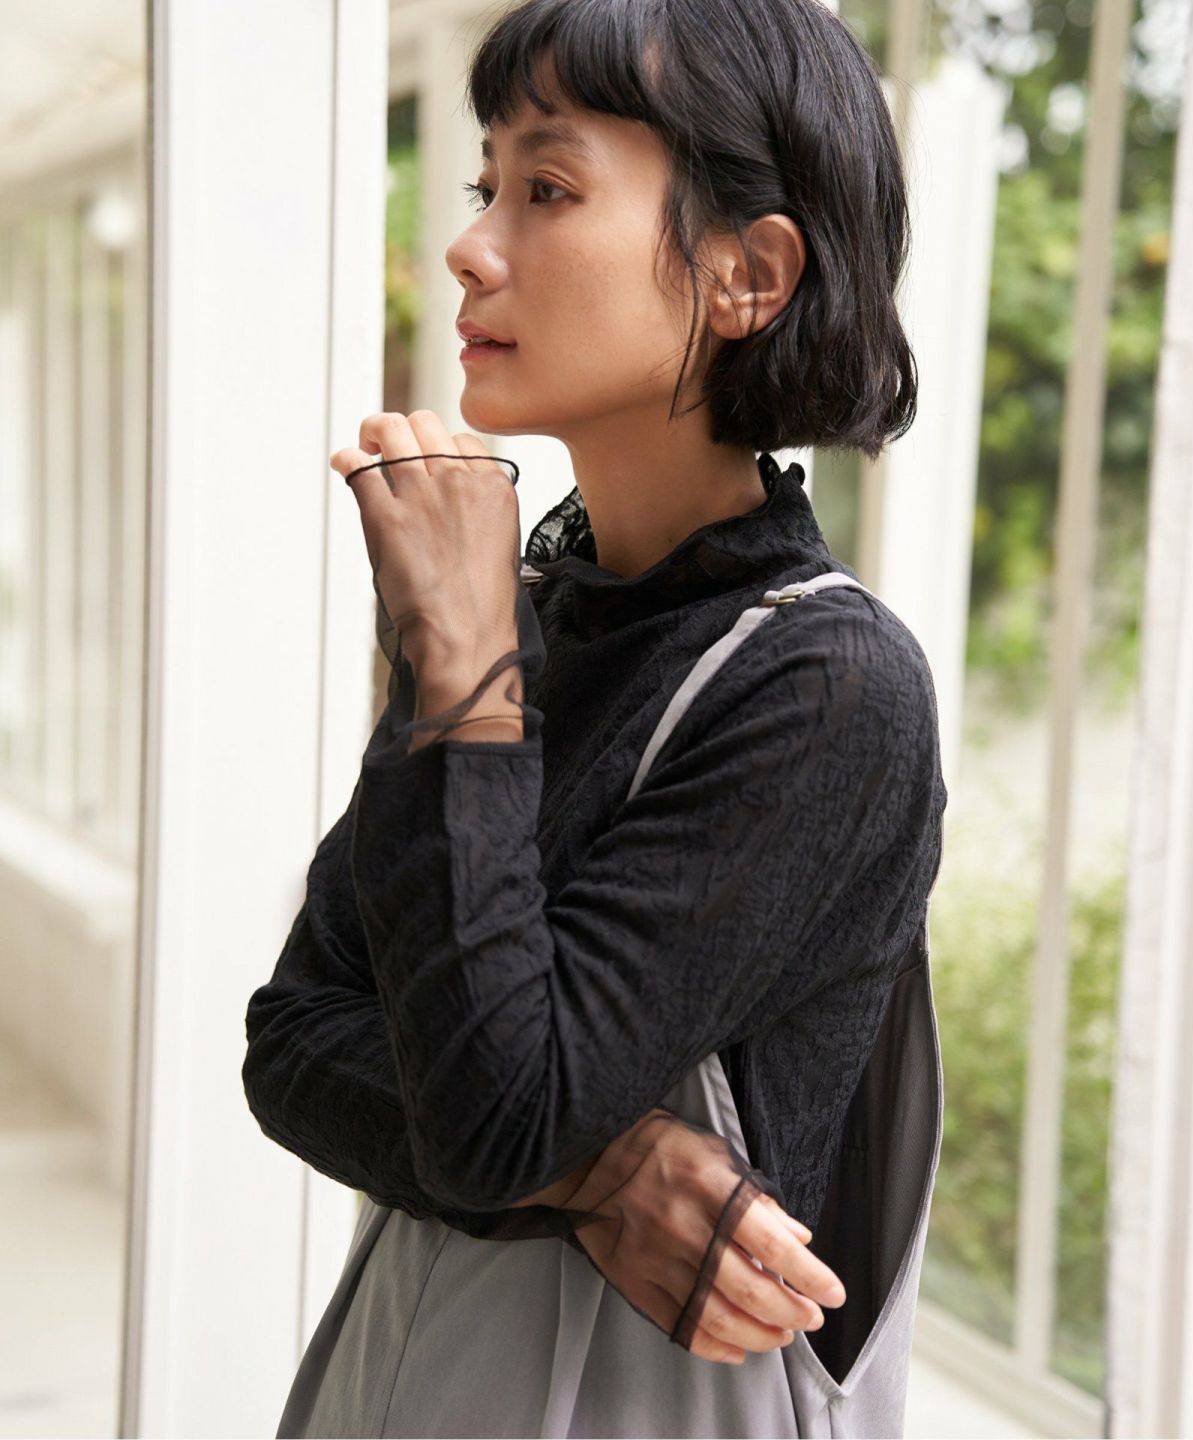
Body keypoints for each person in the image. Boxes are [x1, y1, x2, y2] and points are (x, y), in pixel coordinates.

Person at [242, 0, 947, 1434]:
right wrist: (605, 1175)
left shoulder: (832, 685)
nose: (470, 244)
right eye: (485, 183)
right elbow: (294, 1040)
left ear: (748, 273)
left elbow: (492, 1111)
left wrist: (456, 654)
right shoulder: (536, 614)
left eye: (548, 188)